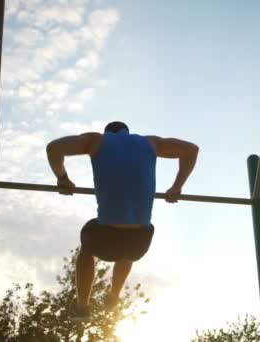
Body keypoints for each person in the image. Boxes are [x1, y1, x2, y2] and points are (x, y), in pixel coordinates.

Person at [46, 121, 199, 319]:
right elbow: (191, 150)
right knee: (126, 254)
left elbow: (54, 148)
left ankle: (82, 307)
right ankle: (113, 297)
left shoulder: (96, 140)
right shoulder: (151, 143)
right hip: (141, 241)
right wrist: (177, 186)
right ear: (127, 132)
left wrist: (62, 178)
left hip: (105, 238)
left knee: (87, 246)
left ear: (107, 132)